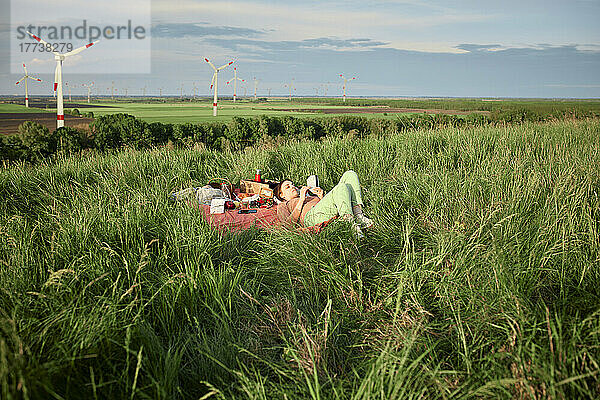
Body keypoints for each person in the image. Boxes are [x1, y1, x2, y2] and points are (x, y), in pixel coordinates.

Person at [273, 170, 373, 238]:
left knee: (350, 174)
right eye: (288, 187)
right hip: (310, 218)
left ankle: (358, 216)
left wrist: (321, 196)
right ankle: (350, 224)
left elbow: (324, 207)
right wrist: (301, 200)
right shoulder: (283, 205)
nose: (292, 187)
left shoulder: (308, 196)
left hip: (322, 210)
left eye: (292, 185)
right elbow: (287, 226)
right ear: (281, 195)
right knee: (341, 187)